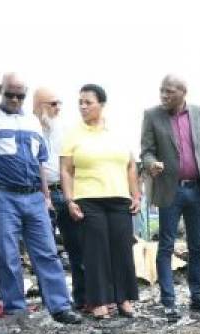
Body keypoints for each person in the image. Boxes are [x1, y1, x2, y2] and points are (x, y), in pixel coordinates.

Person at [0, 73, 80, 325]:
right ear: (0, 90)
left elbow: (40, 161)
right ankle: (16, 309)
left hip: (34, 197)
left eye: (20, 95)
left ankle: (60, 307)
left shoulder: (33, 122)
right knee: (8, 255)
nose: (15, 99)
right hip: (1, 196)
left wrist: (46, 196)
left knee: (48, 253)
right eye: (10, 94)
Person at [140, 75, 200, 320]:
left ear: (184, 92)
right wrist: (151, 164)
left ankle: (198, 297)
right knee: (166, 245)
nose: (164, 96)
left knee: (197, 246)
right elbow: (146, 151)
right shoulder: (152, 115)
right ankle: (169, 301)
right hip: (169, 189)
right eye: (162, 91)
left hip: (196, 190)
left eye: (170, 92)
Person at [60, 84, 141, 319]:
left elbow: (130, 166)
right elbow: (66, 170)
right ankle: (98, 302)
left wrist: (135, 195)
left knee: (122, 249)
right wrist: (69, 199)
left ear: (102, 105)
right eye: (80, 103)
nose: (83, 107)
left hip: (119, 198)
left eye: (88, 102)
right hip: (88, 198)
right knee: (95, 252)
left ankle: (123, 299)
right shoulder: (73, 133)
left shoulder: (117, 131)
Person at [34, 86, 84, 309]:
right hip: (39, 194)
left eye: (59, 103)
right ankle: (52, 302)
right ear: (38, 106)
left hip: (66, 192)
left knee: (78, 247)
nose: (58, 108)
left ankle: (82, 298)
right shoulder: (29, 127)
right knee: (46, 251)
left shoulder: (67, 129)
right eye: (52, 104)